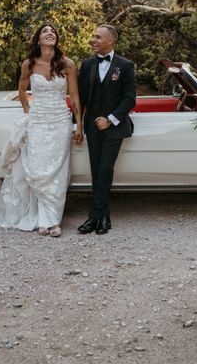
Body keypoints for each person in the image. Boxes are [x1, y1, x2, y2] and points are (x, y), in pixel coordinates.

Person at [0, 24, 83, 237]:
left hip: (60, 121)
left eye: (53, 31)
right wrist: (28, 112)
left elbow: (75, 97)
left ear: (56, 39)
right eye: (45, 31)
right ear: (38, 39)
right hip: (38, 121)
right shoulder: (29, 64)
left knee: (57, 171)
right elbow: (22, 90)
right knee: (38, 169)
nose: (50, 33)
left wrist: (78, 124)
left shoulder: (67, 64)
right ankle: (41, 218)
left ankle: (53, 220)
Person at [77, 24, 137, 235]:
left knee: (104, 169)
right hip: (92, 126)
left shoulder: (126, 65)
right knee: (96, 170)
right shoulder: (86, 65)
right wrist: (78, 124)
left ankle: (96, 216)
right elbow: (81, 98)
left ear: (110, 41)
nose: (93, 40)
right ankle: (102, 218)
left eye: (97, 37)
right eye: (93, 36)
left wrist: (110, 119)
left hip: (114, 127)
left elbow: (130, 98)